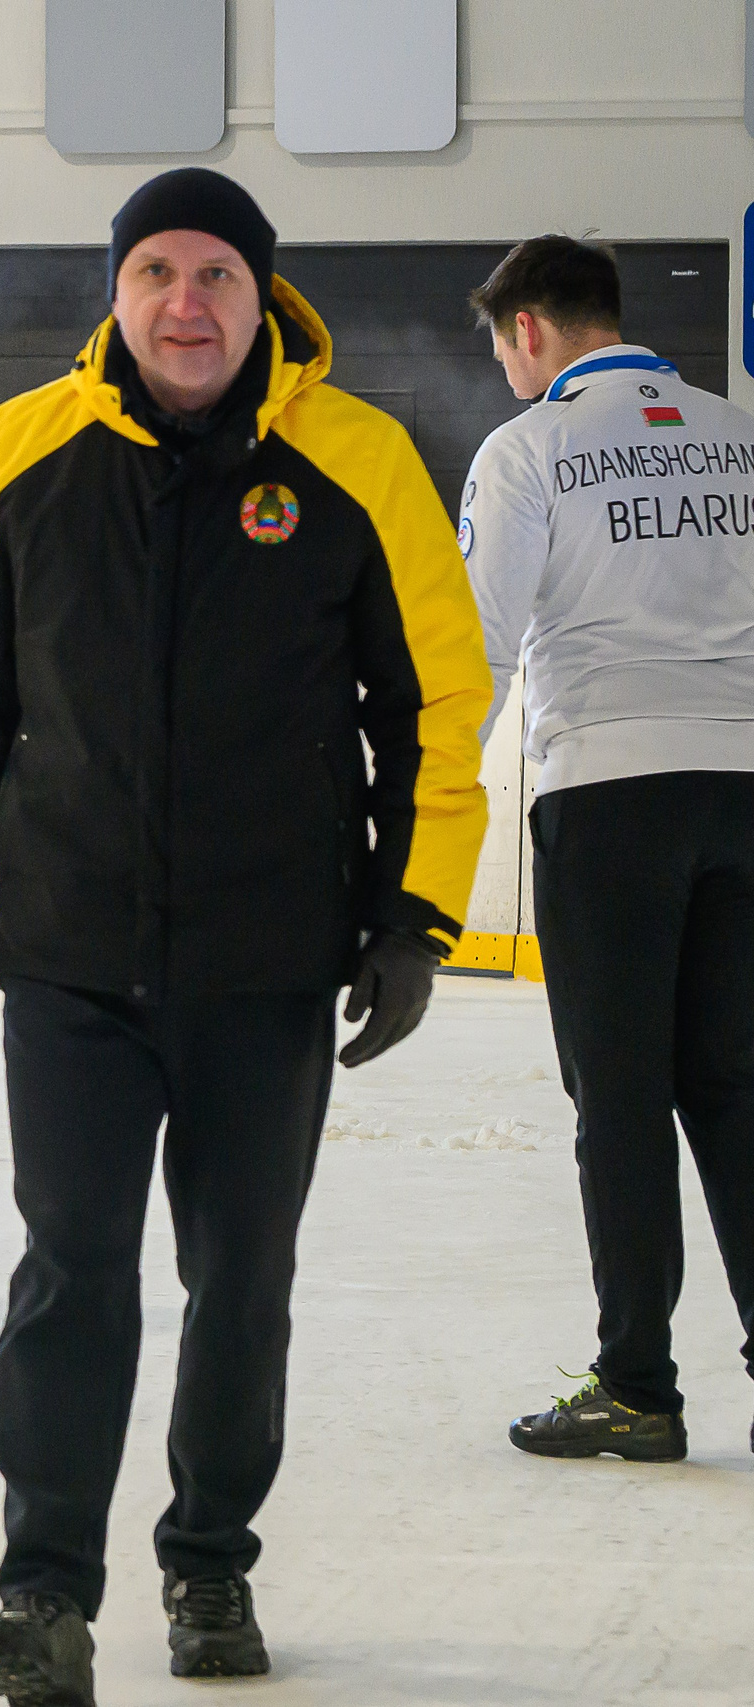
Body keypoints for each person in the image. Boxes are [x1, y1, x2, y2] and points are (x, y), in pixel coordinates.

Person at [0, 170, 490, 1704]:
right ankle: (47, 1594)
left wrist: (414, 915)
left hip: (268, 964)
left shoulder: (353, 462)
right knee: (70, 1272)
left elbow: (432, 704)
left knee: (241, 1280)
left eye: (215, 272)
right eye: (154, 269)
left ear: (262, 296)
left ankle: (210, 1563)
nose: (184, 301)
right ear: (116, 290)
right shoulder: (25, 455)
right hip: (78, 954)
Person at [458, 236, 754, 1465]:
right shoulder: (736, 433)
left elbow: (476, 638)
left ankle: (637, 1384)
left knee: (620, 1103)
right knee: (738, 1095)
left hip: (608, 796)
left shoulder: (528, 449)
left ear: (526, 329)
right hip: (744, 788)